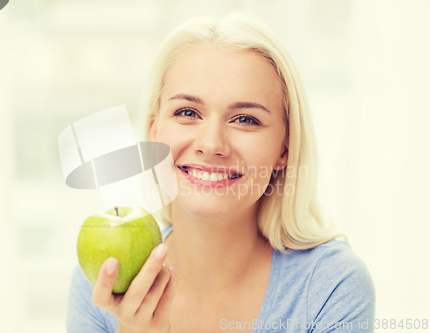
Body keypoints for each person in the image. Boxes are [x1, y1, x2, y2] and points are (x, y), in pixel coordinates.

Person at [66, 12, 375, 333]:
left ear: (284, 148)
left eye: (245, 119)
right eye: (187, 112)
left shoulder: (330, 286)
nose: (212, 144)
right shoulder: (106, 279)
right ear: (155, 132)